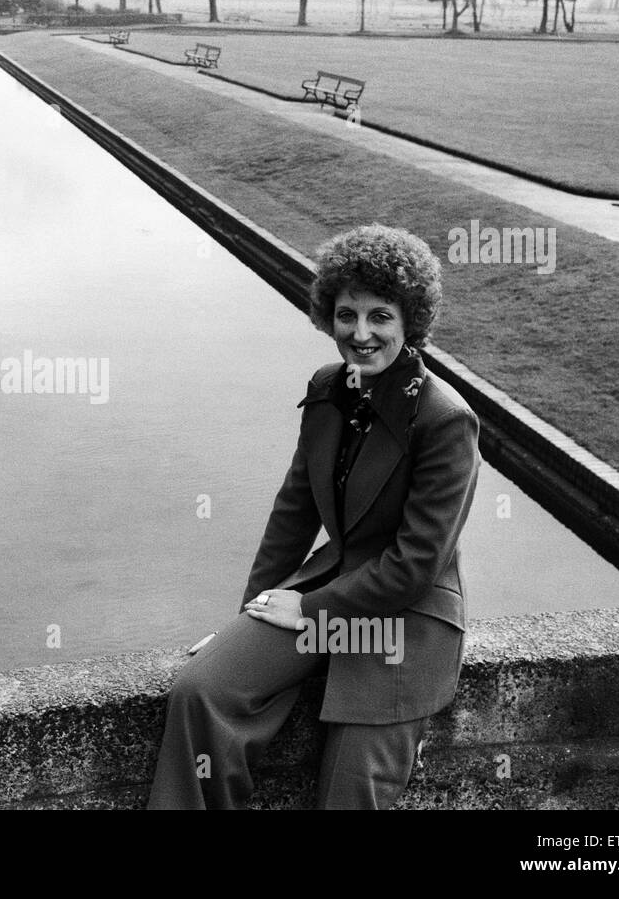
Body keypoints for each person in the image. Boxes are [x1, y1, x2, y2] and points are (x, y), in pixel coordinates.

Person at [147, 223, 481, 810]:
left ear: (411, 322)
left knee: (348, 790)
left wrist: (306, 608)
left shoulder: (444, 419)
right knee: (200, 691)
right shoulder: (328, 387)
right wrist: (250, 614)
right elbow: (294, 511)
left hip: (407, 619)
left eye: (380, 316)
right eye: (347, 314)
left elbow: (415, 565)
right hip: (324, 596)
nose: (360, 333)